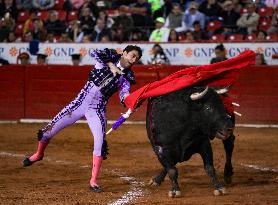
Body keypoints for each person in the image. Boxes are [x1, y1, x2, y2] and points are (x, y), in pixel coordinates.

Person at [22, 45, 143, 193]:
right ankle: (39, 154)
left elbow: (124, 95)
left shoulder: (126, 78)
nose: (134, 59)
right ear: (124, 53)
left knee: (100, 143)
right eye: (132, 55)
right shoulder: (107, 58)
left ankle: (93, 181)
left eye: (137, 58)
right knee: (47, 131)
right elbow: (94, 52)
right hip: (78, 104)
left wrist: (132, 102)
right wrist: (111, 65)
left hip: (96, 110)